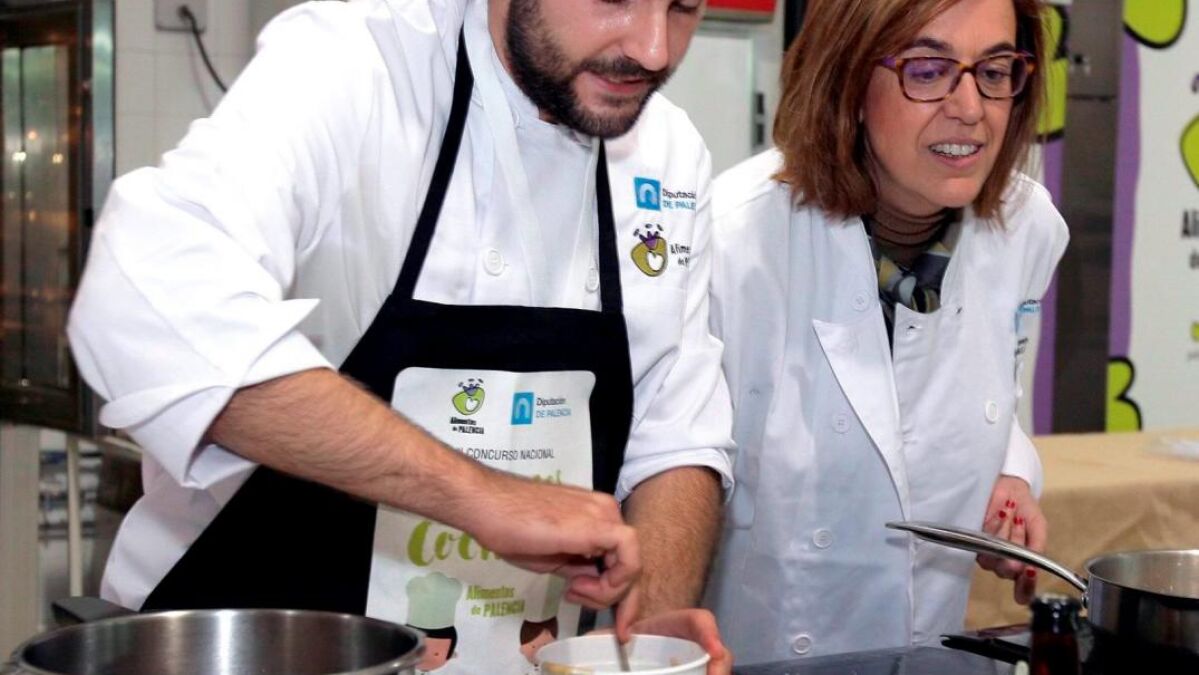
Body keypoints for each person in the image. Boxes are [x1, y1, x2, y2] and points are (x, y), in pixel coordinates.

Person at [66, 0, 735, 672]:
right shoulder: (356, 66)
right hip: (251, 652)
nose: (654, 50)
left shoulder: (668, 153)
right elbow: (146, 295)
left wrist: (648, 635)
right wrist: (481, 495)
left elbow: (673, 435)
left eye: (683, 6)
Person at [704, 0, 1068, 663]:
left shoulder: (1028, 228)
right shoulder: (730, 239)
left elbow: (990, 387)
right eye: (927, 70)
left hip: (924, 650)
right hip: (755, 653)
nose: (970, 108)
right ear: (846, 82)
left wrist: (1007, 474)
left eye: (993, 71)